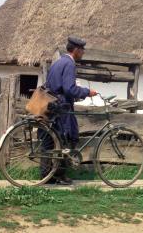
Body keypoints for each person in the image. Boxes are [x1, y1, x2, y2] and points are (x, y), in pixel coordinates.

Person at [41, 36, 97, 185]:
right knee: (68, 139)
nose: (83, 52)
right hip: (62, 107)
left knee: (49, 141)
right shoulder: (70, 64)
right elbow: (69, 88)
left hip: (50, 104)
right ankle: (60, 175)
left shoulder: (58, 62)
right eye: (82, 50)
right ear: (77, 50)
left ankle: (46, 176)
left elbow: (55, 85)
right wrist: (87, 92)